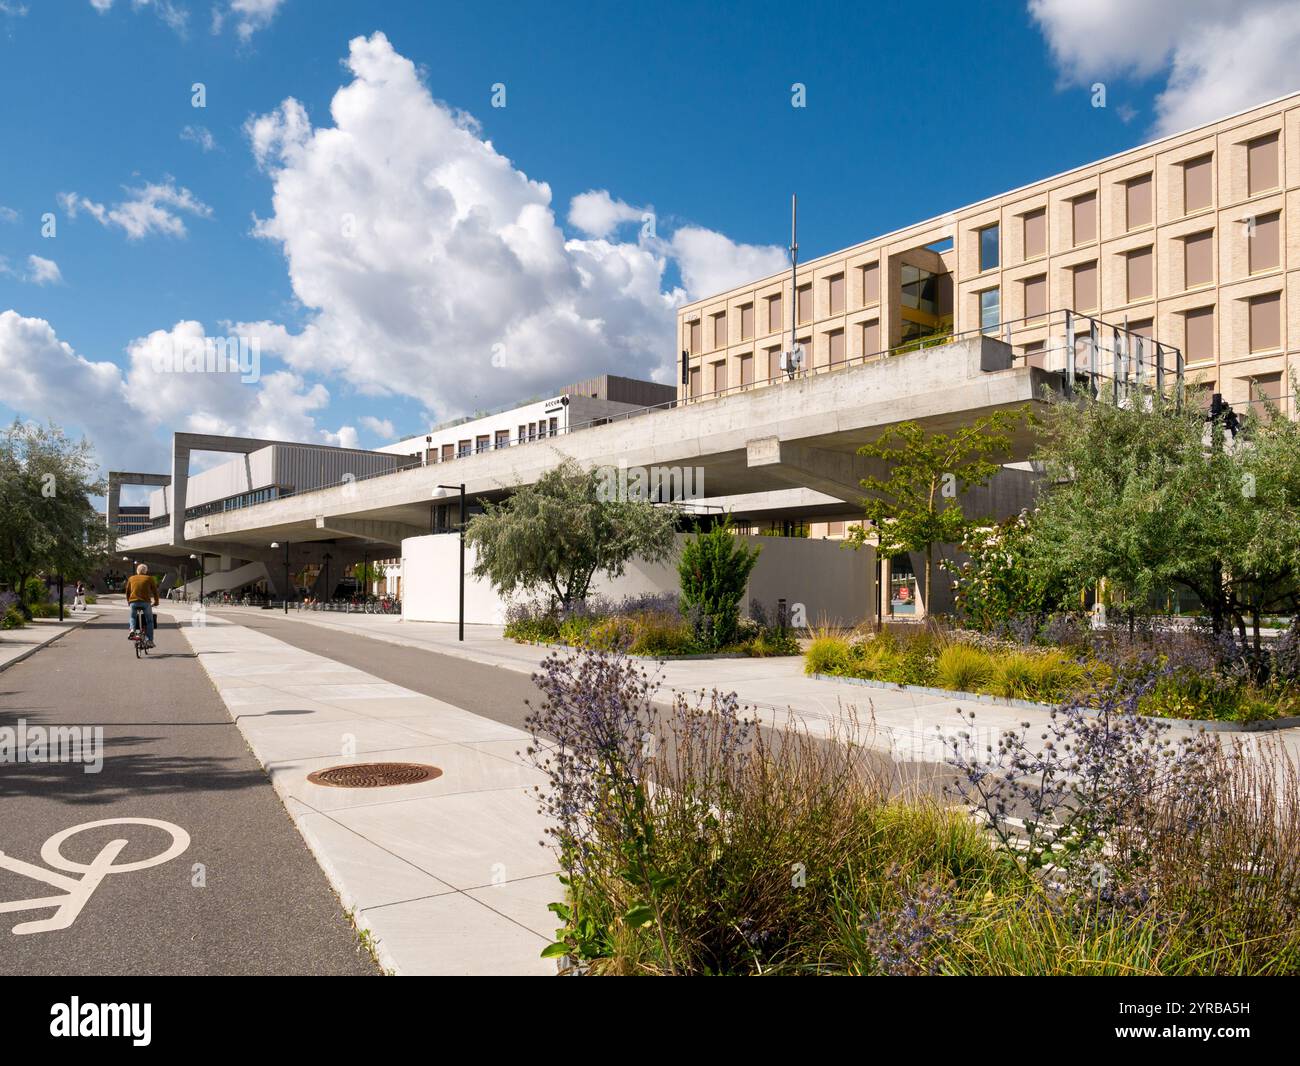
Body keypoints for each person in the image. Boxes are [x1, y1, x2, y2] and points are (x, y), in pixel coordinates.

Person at [125, 563, 159, 648]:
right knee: (149, 621)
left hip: (133, 602)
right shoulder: (149, 578)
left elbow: (127, 591)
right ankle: (149, 640)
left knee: (133, 617)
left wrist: (129, 601)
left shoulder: (131, 578)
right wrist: (156, 602)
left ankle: (132, 630)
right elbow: (155, 591)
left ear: (137, 571)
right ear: (146, 571)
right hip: (145, 602)